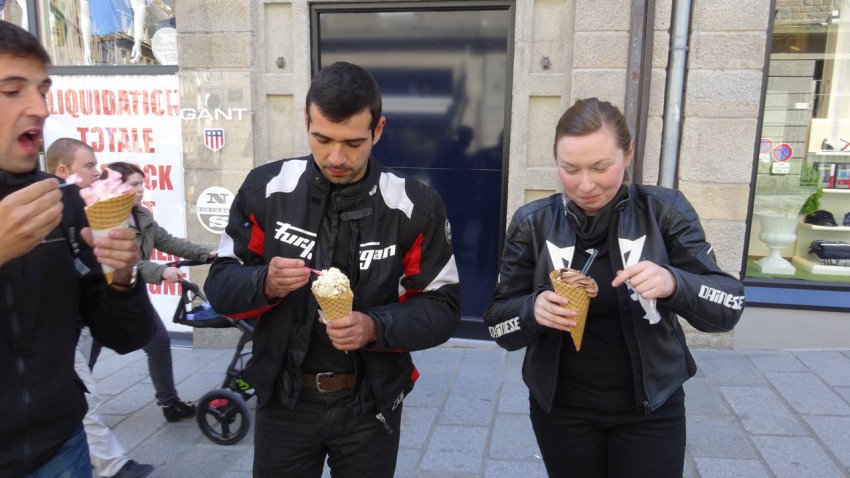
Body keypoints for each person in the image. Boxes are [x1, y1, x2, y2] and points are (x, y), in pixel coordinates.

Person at [204, 61, 462, 477]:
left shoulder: (415, 205)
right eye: (321, 139)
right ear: (306, 121)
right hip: (283, 401)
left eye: (353, 143)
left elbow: (442, 308)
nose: (336, 157)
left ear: (378, 130)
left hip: (370, 405)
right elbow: (220, 284)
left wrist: (373, 326)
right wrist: (264, 282)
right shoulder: (266, 189)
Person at [483, 98, 745, 477]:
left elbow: (728, 306)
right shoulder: (533, 223)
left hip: (651, 407)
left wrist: (674, 283)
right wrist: (532, 310)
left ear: (628, 153)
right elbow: (497, 322)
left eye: (601, 167)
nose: (585, 184)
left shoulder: (664, 211)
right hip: (562, 409)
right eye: (569, 169)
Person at [0, 19, 155, 477]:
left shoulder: (62, 202)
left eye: (42, 90)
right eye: (12, 90)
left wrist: (122, 280)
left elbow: (125, 337)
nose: (40, 107)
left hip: (61, 449)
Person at [46, 138, 154, 478]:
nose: (98, 171)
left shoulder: (85, 211)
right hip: (52, 346)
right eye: (89, 166)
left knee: (84, 393)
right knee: (86, 395)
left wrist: (122, 278)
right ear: (64, 171)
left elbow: (122, 332)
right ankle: (114, 465)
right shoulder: (45, 209)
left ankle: (112, 464)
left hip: (64, 335)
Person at [105, 161, 215, 422]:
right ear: (115, 186)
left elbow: (168, 242)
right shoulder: (108, 219)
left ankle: (170, 404)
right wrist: (161, 271)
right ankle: (72, 412)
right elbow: (121, 262)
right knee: (84, 355)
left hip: (131, 294)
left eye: (142, 183)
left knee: (158, 341)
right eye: (134, 184)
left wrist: (208, 254)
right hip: (103, 296)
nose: (141, 189)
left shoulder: (140, 215)